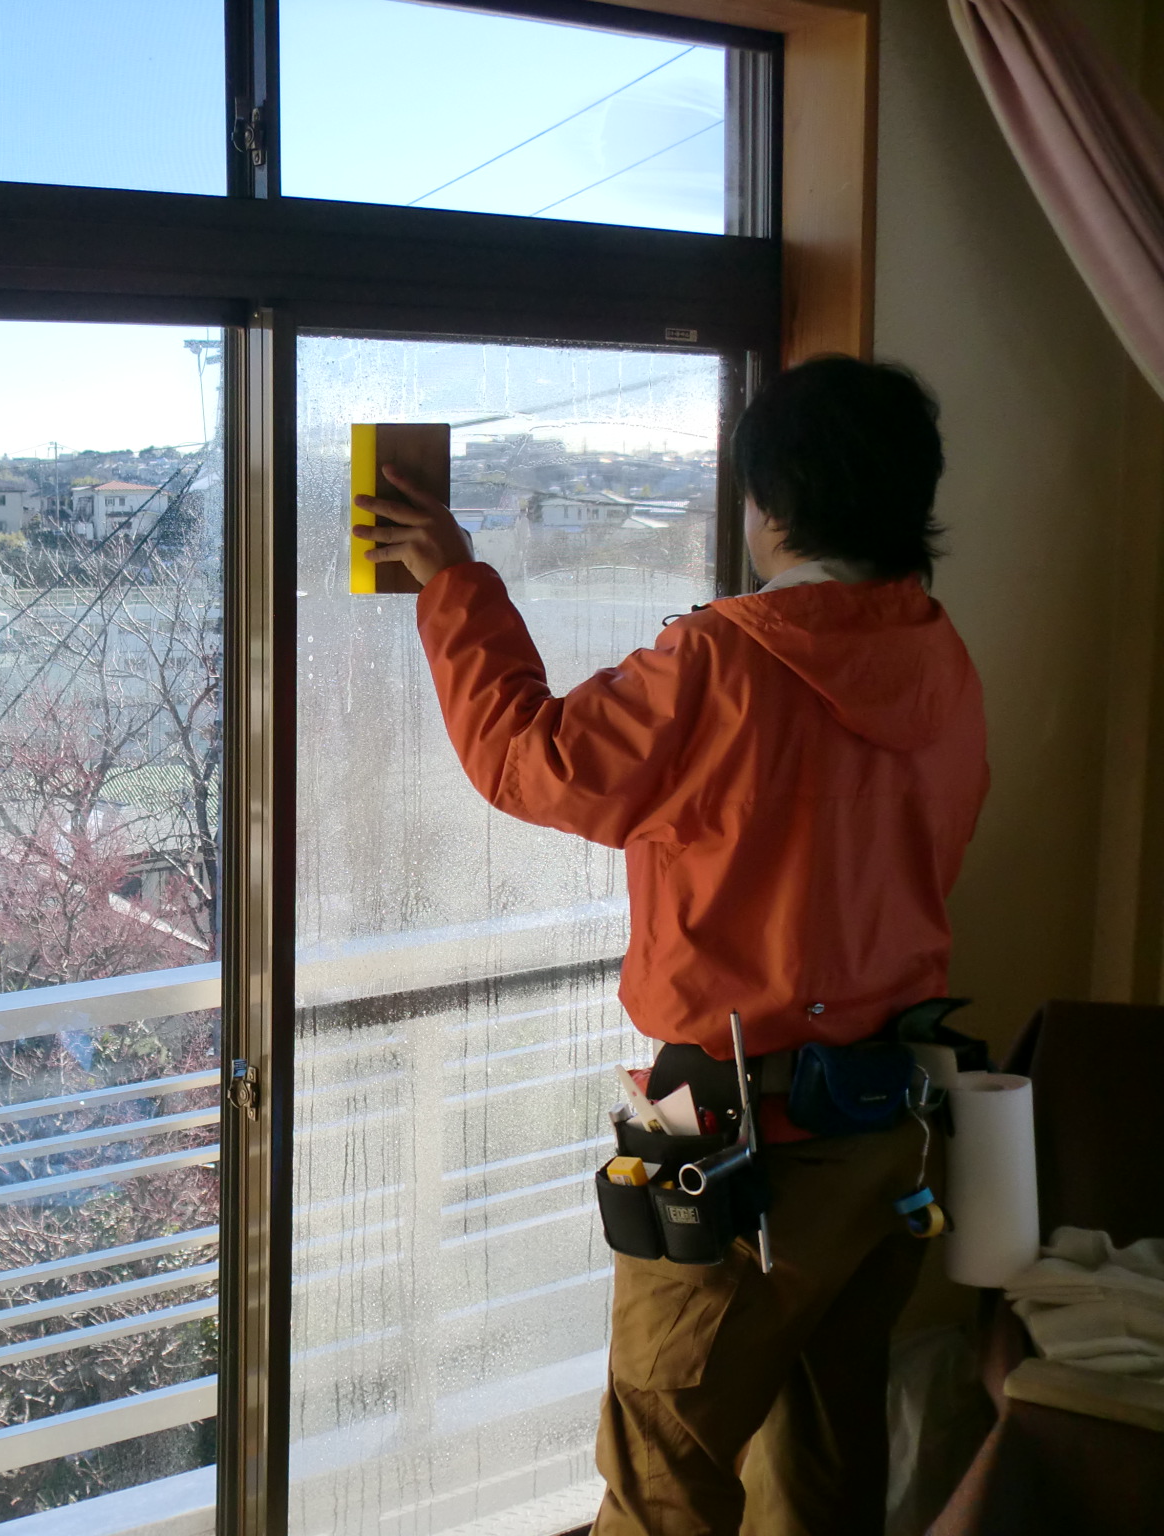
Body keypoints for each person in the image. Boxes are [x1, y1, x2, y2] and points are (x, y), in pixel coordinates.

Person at [352, 355, 989, 1536]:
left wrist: (453, 582)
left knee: (661, 1487)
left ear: (766, 505)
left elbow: (531, 762)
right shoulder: (938, 658)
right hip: (886, 1136)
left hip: (740, 1147)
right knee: (820, 1467)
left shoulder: (723, 660)